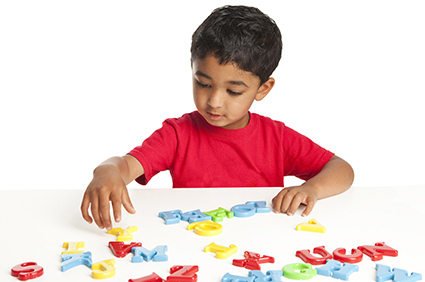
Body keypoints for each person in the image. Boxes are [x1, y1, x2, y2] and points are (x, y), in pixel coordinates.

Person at [81, 5, 354, 231]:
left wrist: (312, 189)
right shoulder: (177, 134)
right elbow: (126, 166)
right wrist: (107, 171)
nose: (213, 101)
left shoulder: (276, 138)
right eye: (203, 83)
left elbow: (342, 169)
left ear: (263, 89)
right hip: (195, 246)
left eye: (233, 90)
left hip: (264, 246)